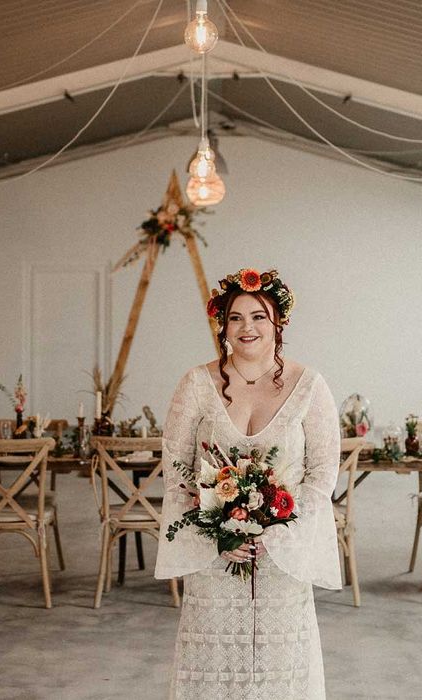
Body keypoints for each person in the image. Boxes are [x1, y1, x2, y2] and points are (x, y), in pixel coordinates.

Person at [155, 267, 341, 699]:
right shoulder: (196, 385)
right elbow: (177, 468)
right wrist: (215, 531)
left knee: (281, 665)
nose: (247, 327)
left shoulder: (310, 386)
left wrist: (282, 530)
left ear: (279, 323)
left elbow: (322, 472)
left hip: (283, 557)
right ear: (223, 326)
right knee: (214, 663)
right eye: (236, 318)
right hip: (215, 557)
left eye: (259, 316)